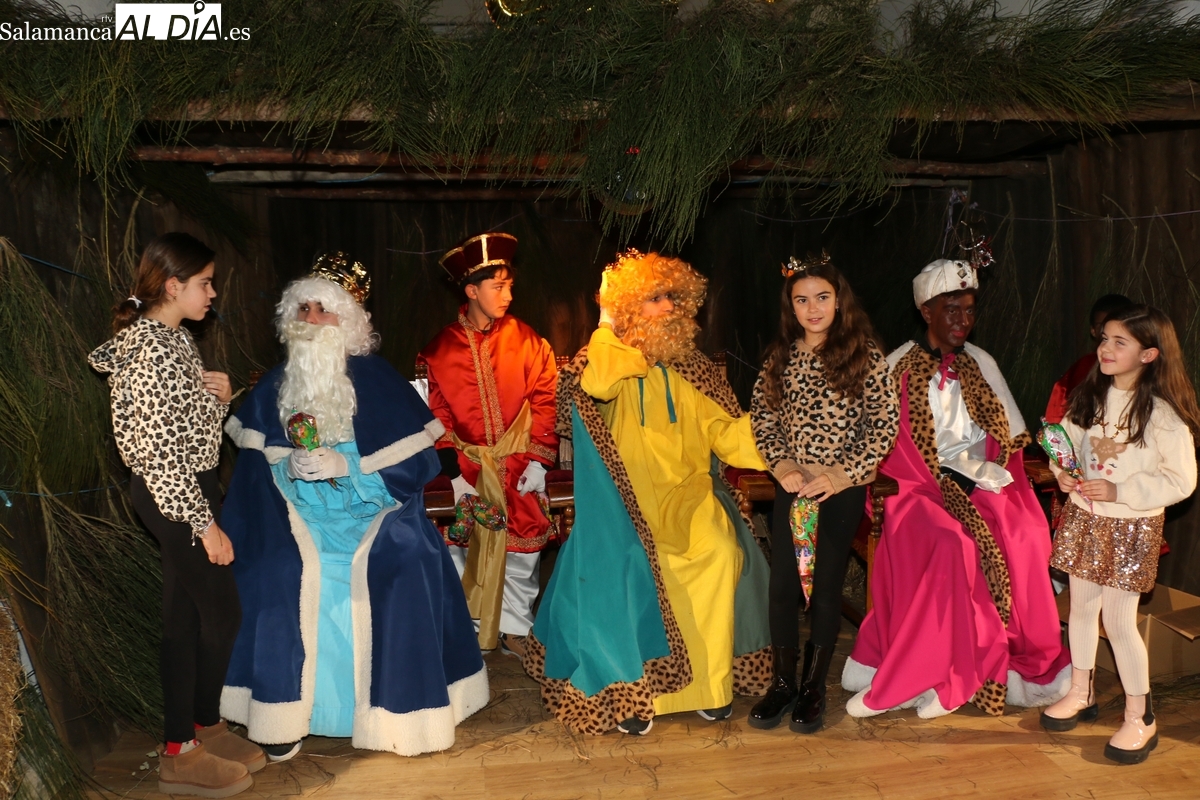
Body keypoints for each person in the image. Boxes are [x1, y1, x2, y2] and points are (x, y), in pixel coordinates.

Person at [220, 253, 487, 761]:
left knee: (404, 564)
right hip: (297, 520)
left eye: (326, 310)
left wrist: (349, 467)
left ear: (350, 321)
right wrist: (288, 470)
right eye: (304, 309)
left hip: (376, 516)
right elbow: (253, 480)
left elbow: (416, 467)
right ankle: (286, 714)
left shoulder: (379, 379)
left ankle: (397, 715)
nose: (313, 320)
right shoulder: (274, 387)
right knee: (278, 569)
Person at [525, 250, 772, 735]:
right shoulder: (606, 360)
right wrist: (608, 322)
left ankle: (710, 688)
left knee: (719, 553)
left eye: (674, 298)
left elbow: (728, 433)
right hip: (623, 507)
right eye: (656, 298)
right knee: (630, 563)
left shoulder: (696, 368)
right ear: (632, 306)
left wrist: (780, 440)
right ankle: (632, 693)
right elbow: (597, 381)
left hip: (689, 500)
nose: (669, 307)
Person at [843, 259, 1071, 719]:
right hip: (918, 484)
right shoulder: (895, 367)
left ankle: (1029, 668)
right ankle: (945, 665)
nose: (962, 320)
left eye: (969, 310)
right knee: (954, 542)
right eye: (951, 310)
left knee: (1025, 532)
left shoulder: (981, 362)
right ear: (927, 312)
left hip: (980, 475)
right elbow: (875, 446)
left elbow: (1009, 437)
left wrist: (996, 472)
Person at [89, 233, 262, 797]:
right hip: (175, 497)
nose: (213, 293)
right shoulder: (151, 351)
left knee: (184, 619)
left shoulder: (174, 340)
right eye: (205, 282)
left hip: (188, 488)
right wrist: (203, 524)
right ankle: (182, 749)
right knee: (223, 614)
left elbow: (189, 441)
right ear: (173, 286)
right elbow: (159, 457)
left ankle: (195, 733)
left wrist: (215, 401)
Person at [1041, 305, 1199, 764]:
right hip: (1086, 518)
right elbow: (1065, 442)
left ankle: (1140, 717)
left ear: (1149, 354)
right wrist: (1064, 473)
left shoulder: (1163, 416)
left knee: (1119, 620)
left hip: (1130, 527)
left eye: (1119, 342)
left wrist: (1121, 489)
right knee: (1083, 609)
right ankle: (1081, 690)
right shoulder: (1090, 395)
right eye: (1104, 339)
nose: (1105, 349)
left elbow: (1182, 480)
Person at [748, 254, 898, 733]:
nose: (813, 309)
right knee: (783, 587)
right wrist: (783, 464)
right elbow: (764, 418)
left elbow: (882, 427)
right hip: (793, 486)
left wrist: (841, 474)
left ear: (839, 300)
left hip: (839, 488)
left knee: (827, 586)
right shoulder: (781, 357)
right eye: (802, 300)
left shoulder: (864, 355)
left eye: (822, 298)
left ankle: (814, 686)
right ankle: (783, 682)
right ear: (790, 307)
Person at [417, 232, 559, 656]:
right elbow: (435, 415)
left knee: (522, 544)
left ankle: (516, 626)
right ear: (471, 290)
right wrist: (453, 473)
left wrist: (538, 460)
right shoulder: (439, 350)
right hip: (468, 467)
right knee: (464, 542)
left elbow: (545, 396)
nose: (508, 295)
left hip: (517, 461)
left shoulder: (529, 340)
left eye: (510, 285)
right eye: (498, 287)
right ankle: (470, 626)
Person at [1044, 294, 1134, 423]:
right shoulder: (1084, 367)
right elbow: (1059, 412)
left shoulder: (1151, 373)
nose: (1107, 331)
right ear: (1093, 330)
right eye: (1102, 327)